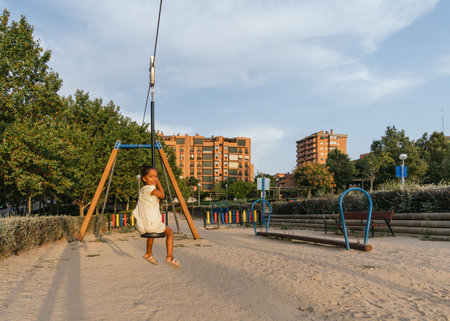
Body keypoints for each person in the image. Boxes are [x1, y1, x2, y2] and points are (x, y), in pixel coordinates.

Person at [132, 165, 180, 269]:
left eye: (156, 176)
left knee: (151, 233)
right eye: (151, 176)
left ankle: (148, 253)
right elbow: (162, 195)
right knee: (170, 233)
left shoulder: (142, 191)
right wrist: (159, 183)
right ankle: (170, 257)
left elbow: (156, 200)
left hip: (141, 225)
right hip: (152, 224)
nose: (154, 179)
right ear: (144, 178)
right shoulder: (151, 189)